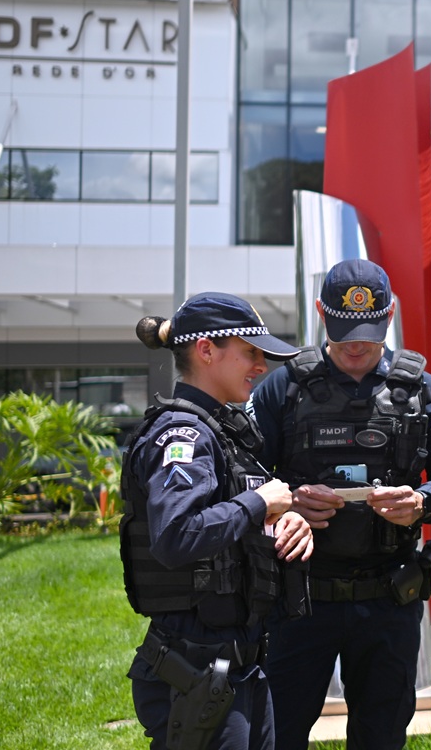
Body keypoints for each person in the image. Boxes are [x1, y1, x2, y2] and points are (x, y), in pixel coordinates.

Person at [247, 258, 431, 750]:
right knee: (277, 732)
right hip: (298, 599)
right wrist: (284, 505)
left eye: (369, 332)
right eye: (344, 329)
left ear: (390, 313)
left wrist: (422, 501)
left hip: (388, 599)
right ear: (319, 314)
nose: (356, 345)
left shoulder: (423, 392)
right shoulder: (282, 389)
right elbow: (242, 481)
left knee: (382, 736)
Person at [121, 292, 314, 750]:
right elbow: (176, 535)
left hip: (240, 661)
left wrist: (283, 522)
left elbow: (232, 525)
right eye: (250, 352)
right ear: (206, 351)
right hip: (195, 669)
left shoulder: (224, 431)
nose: (261, 366)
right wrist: (257, 504)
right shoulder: (182, 435)